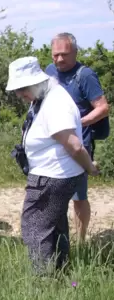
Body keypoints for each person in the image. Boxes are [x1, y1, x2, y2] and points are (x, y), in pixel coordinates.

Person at [6, 56, 99, 274]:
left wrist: (90, 168)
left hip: (51, 177)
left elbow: (74, 145)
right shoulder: (44, 96)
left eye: (23, 88)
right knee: (55, 226)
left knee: (35, 229)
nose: (20, 95)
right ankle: (62, 272)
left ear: (38, 81)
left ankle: (43, 282)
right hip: (52, 174)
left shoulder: (56, 103)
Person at [45, 32, 110, 242]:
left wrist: (77, 124)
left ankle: (80, 240)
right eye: (56, 55)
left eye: (64, 54)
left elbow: (102, 108)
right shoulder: (49, 72)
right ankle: (57, 237)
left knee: (78, 196)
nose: (59, 59)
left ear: (75, 52)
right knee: (52, 194)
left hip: (78, 144)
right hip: (52, 144)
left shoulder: (85, 75)